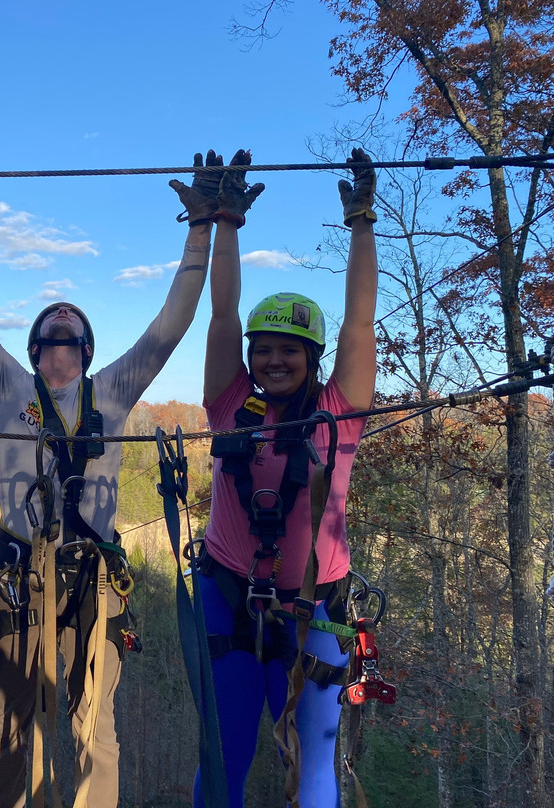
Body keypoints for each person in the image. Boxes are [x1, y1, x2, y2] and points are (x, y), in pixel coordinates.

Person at [0, 133, 214, 808]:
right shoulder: (4, 386)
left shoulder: (113, 392)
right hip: (19, 571)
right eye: (49, 338)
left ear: (87, 350)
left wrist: (201, 234)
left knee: (95, 730)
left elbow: (172, 324)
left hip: (93, 577)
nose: (60, 348)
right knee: (11, 727)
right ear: (34, 349)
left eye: (71, 339)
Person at [196, 148, 379, 808]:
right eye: (263, 350)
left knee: (312, 766)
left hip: (314, 608)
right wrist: (227, 222)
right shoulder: (229, 403)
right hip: (227, 596)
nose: (273, 361)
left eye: (288, 351)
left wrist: (361, 222)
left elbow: (359, 323)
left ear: (312, 358)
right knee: (225, 756)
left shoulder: (339, 413)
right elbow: (221, 315)